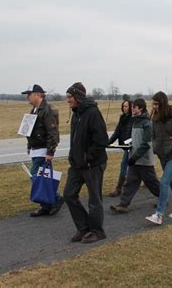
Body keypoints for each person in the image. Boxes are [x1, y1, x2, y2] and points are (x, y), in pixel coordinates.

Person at [63, 82, 109, 244]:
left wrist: (87, 157)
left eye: (70, 97)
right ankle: (84, 228)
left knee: (94, 199)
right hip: (76, 164)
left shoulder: (93, 113)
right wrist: (73, 156)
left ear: (78, 97)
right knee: (68, 194)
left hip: (93, 164)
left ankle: (97, 231)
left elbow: (102, 140)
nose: (67, 100)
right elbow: (75, 140)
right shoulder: (76, 114)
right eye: (67, 97)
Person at [145, 91, 172, 225]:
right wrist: (155, 147)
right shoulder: (155, 117)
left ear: (163, 103)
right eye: (153, 104)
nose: (154, 106)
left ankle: (159, 214)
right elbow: (153, 135)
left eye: (157, 104)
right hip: (162, 155)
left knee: (164, 182)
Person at [110, 98, 160, 213]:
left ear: (141, 108)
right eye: (132, 107)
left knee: (152, 183)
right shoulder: (134, 121)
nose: (132, 109)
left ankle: (163, 198)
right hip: (135, 159)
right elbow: (134, 139)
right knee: (130, 183)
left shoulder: (147, 124)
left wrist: (134, 157)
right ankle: (123, 205)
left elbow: (146, 144)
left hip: (144, 160)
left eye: (134, 107)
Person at [21, 84, 64, 217]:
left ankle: (56, 198)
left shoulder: (47, 110)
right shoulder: (34, 110)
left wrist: (50, 152)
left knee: (37, 175)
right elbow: (31, 131)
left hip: (43, 150)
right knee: (40, 177)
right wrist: (29, 145)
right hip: (36, 149)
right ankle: (46, 204)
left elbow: (52, 132)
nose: (28, 97)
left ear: (38, 94)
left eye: (30, 94)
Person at [107, 99, 134, 197]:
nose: (124, 108)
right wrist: (108, 142)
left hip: (132, 147)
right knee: (127, 167)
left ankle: (119, 189)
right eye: (123, 106)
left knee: (126, 167)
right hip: (126, 147)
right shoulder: (122, 118)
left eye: (126, 106)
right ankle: (119, 189)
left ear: (131, 107)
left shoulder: (134, 118)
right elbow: (117, 132)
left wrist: (130, 143)